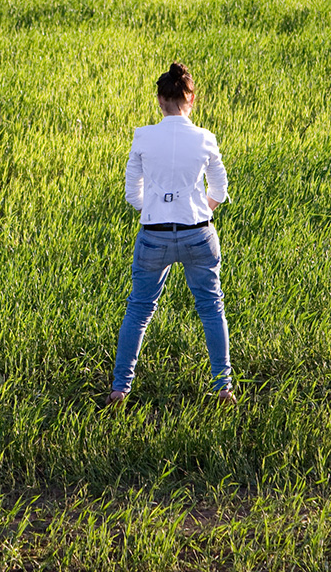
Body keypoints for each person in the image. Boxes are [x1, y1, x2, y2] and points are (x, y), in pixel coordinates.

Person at [110, 62, 234, 404]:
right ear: (190, 98)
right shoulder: (205, 137)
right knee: (211, 309)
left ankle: (121, 388)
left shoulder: (143, 136)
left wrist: (155, 208)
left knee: (138, 311)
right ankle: (223, 386)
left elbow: (132, 193)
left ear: (160, 101)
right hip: (199, 233)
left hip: (154, 235)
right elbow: (220, 190)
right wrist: (198, 209)